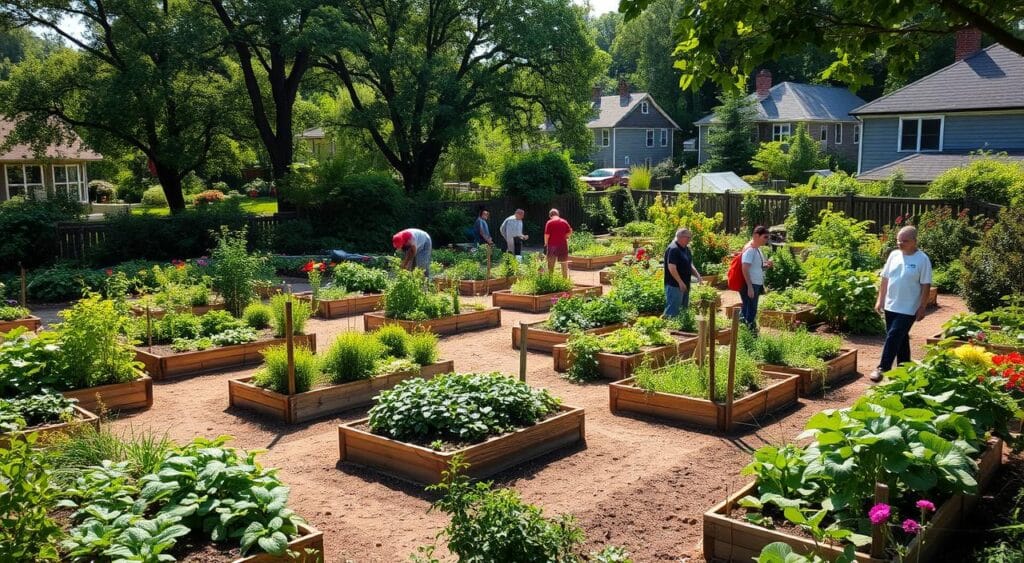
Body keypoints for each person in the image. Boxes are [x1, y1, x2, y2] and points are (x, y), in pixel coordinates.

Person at [870, 226, 932, 382]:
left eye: (905, 241)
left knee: (893, 335)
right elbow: (885, 279)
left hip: (909, 307)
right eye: (898, 240)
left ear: (914, 241)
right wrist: (880, 300)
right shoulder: (894, 255)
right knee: (901, 338)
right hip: (891, 304)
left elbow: (926, 285)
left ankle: (883, 367)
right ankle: (905, 369)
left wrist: (922, 306)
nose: (900, 243)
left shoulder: (922, 259)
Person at [738, 226, 773, 331]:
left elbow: (758, 267)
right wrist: (749, 286)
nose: (766, 240)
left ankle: (745, 330)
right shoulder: (750, 250)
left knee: (749, 309)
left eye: (768, 237)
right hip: (751, 284)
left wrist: (767, 266)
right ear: (756, 236)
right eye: (765, 237)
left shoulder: (757, 249)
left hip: (755, 284)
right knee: (750, 310)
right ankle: (748, 332)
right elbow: (744, 268)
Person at [664, 228, 702, 317]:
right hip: (674, 285)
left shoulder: (686, 249)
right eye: (688, 237)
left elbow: (690, 264)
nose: (690, 239)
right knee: (673, 310)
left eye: (690, 237)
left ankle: (682, 325)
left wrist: (697, 275)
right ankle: (671, 325)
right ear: (679, 237)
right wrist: (680, 282)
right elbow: (672, 267)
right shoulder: (673, 249)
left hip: (685, 283)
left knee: (684, 309)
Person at [544, 209, 572, 278]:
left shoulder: (549, 222)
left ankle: (550, 279)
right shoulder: (564, 221)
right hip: (563, 245)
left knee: (551, 264)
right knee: (564, 263)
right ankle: (564, 280)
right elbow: (570, 232)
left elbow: (547, 235)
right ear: (558, 214)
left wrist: (546, 243)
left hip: (552, 246)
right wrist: (565, 236)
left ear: (550, 215)